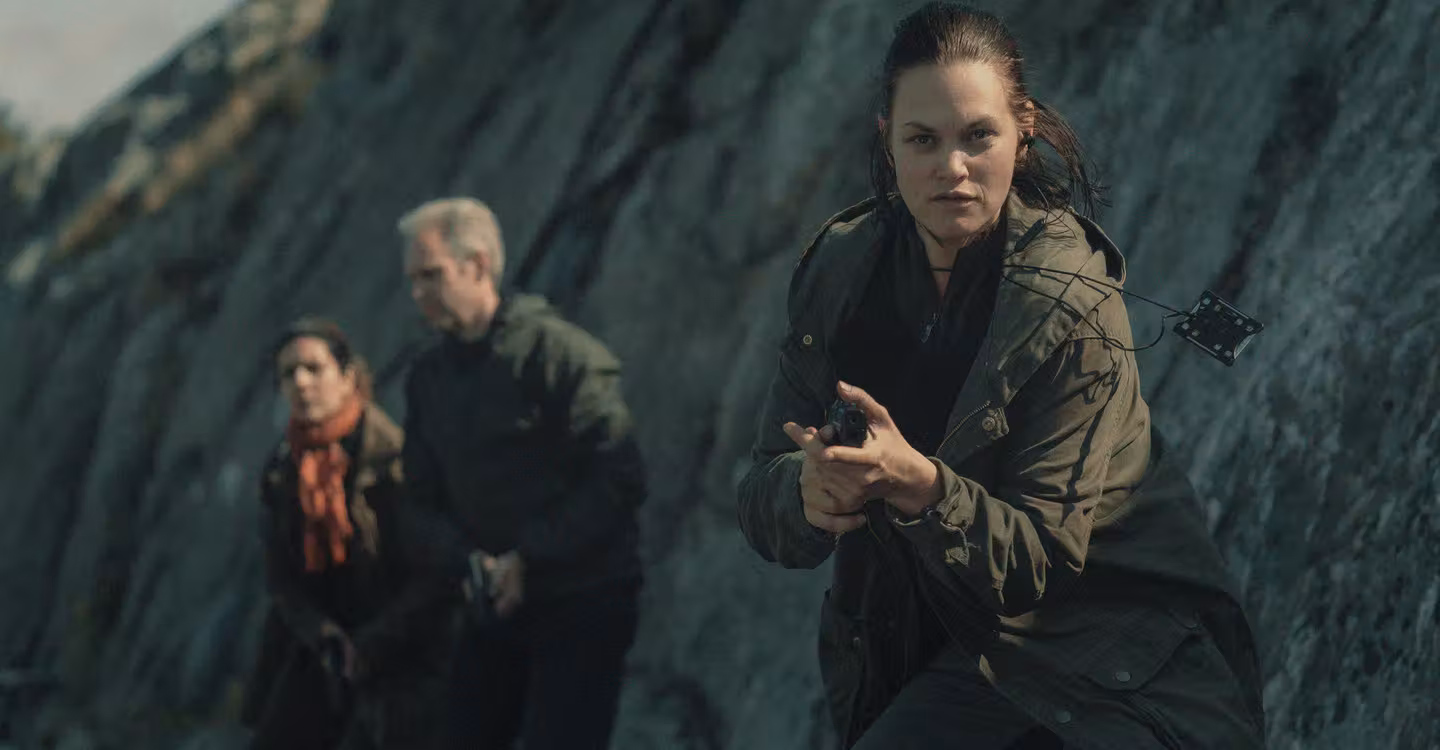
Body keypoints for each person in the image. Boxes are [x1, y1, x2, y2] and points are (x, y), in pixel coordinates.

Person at [737, 4, 1266, 749]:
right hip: (935, 641)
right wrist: (808, 491)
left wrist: (919, 486)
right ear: (887, 142)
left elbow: (1041, 562)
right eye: (923, 139)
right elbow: (762, 488)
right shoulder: (842, 270)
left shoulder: (1066, 302)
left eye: (978, 136)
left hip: (1108, 646)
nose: (952, 168)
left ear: (1022, 131)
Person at [397, 197, 646, 750]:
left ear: (478, 265)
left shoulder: (559, 354)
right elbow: (416, 503)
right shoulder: (427, 379)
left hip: (584, 596)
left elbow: (620, 476)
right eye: (412, 280)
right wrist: (471, 561)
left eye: (431, 275)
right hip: (492, 602)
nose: (418, 293)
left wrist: (527, 556)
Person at [241, 318, 448, 750]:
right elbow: (282, 580)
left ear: (348, 377)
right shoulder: (283, 471)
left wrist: (374, 643)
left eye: (314, 369)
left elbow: (432, 576)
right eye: (289, 373)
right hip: (321, 651)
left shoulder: (393, 461)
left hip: (403, 649)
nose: (301, 383)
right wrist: (323, 635)